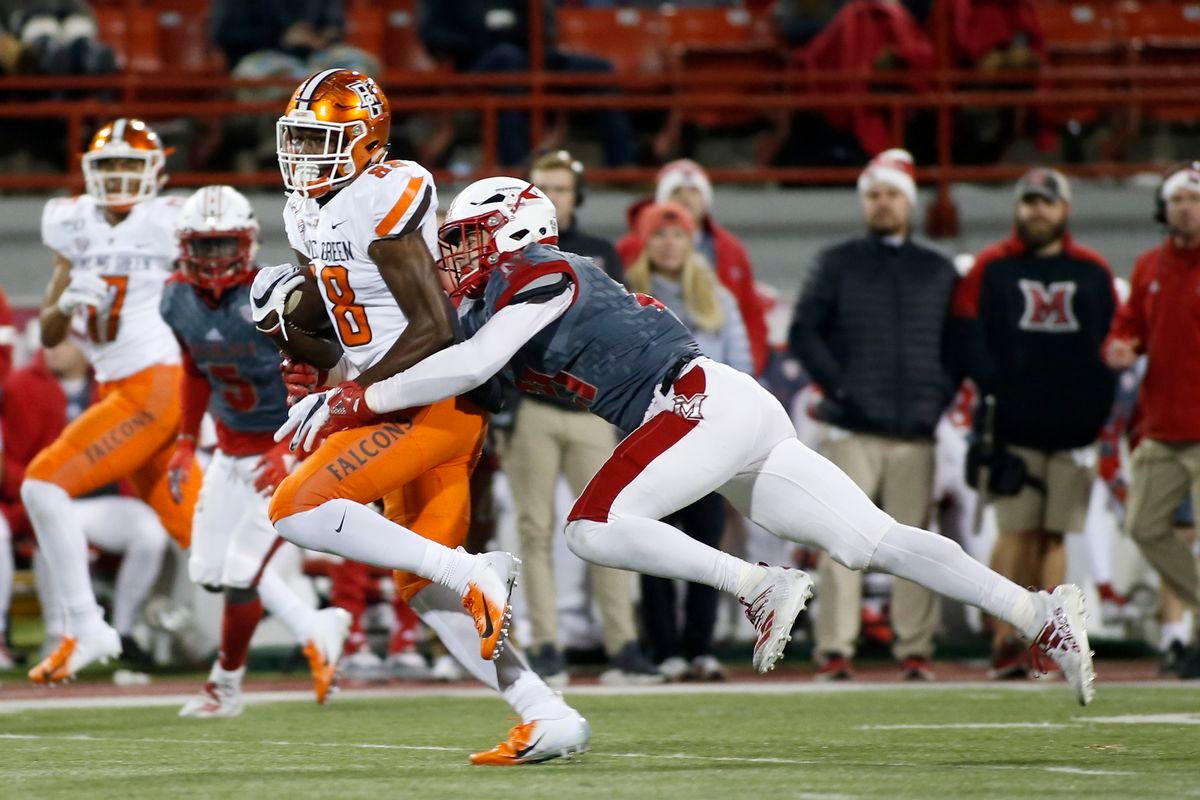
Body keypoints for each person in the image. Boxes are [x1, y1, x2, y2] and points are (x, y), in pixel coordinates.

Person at [281, 175, 1099, 709]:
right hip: (719, 409)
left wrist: (362, 395)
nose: (453, 255)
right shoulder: (498, 295)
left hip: (694, 402)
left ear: (513, 228)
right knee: (866, 541)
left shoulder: (543, 269)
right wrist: (327, 358)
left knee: (591, 527)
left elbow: (477, 358)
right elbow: (457, 377)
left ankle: (756, 584)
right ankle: (1038, 614)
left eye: (465, 238)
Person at [259, 68, 588, 763]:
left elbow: (433, 328)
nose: (305, 156)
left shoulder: (386, 194)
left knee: (296, 507)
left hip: (430, 401)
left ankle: (476, 574)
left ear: (366, 143)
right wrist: (289, 331)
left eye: (323, 140)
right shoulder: (305, 211)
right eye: (300, 139)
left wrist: (351, 397)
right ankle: (547, 712)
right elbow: (332, 322)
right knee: (424, 587)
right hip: (396, 401)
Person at [160, 185, 353, 716]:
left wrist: (292, 446)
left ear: (246, 243)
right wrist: (182, 443)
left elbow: (323, 369)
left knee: (244, 573)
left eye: (225, 245)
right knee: (209, 573)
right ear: (185, 248)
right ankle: (317, 625)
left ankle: (224, 686)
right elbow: (196, 372)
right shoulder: (175, 297)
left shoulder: (277, 293)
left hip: (283, 443)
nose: (216, 258)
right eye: (205, 246)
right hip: (226, 449)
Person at [23, 118, 203, 684]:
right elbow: (52, 336)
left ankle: (85, 624)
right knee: (205, 540)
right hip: (119, 384)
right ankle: (312, 621)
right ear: (89, 172)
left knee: (42, 482)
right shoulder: (71, 224)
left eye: (131, 165)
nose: (120, 176)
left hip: (155, 384)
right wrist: (62, 302)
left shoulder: (170, 222)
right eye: (109, 166)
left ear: (154, 171)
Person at [789, 149, 959, 682]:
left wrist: (937, 395)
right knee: (841, 540)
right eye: (875, 194)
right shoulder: (837, 261)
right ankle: (835, 650)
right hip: (851, 427)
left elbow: (957, 344)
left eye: (892, 194)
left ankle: (915, 649)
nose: (883, 204)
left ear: (908, 201)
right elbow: (803, 332)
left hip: (915, 430)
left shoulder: (938, 270)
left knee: (916, 544)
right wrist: (841, 386)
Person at [954, 168, 1117, 679]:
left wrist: (1095, 410)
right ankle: (1005, 637)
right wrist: (994, 387)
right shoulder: (991, 266)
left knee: (1054, 535)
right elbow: (966, 331)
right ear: (1017, 209)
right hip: (1014, 425)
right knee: (1016, 531)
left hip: (1073, 427)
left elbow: (1111, 345)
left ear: (1065, 209)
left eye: (1046, 202)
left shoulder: (1092, 270)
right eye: (1029, 202)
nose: (1037, 211)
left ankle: (1044, 639)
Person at [506, 149, 657, 686]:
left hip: (592, 407)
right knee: (533, 527)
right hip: (534, 408)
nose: (553, 196)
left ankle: (625, 643)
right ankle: (544, 641)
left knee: (608, 523)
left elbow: (620, 331)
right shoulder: (516, 251)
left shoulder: (599, 253)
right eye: (542, 186)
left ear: (577, 195)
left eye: (561, 188)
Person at [626, 201, 752, 681]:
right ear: (645, 242)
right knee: (652, 546)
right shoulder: (628, 296)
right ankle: (665, 650)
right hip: (650, 438)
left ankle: (700, 647)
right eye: (659, 235)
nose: (669, 243)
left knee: (707, 543)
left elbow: (742, 367)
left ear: (692, 241)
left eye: (678, 234)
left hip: (707, 440)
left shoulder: (717, 297)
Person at [1105, 162, 1200, 678]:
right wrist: (1118, 348)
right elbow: (1127, 329)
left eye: (1194, 199)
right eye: (1178, 198)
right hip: (1160, 428)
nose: (1185, 207)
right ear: (1164, 208)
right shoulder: (1147, 267)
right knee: (1144, 528)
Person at [417, 0, 634, 167]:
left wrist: (517, 30)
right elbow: (432, 35)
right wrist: (484, 36)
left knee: (600, 69)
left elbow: (546, 25)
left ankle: (621, 165)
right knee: (507, 62)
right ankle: (517, 167)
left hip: (530, 56)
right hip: (475, 62)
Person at [617, 160, 770, 375]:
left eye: (694, 191)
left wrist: (751, 369)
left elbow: (748, 314)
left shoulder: (728, 259)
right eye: (677, 190)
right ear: (646, 242)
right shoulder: (628, 286)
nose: (669, 244)